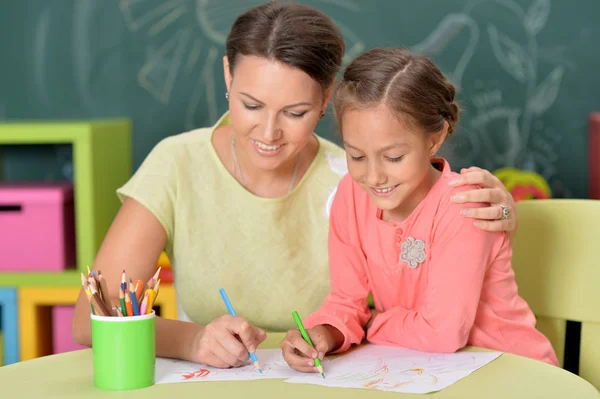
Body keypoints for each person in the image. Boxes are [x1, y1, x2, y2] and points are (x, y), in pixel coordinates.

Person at [72, 1, 519, 369]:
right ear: (228, 76)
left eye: (295, 112)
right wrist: (192, 341)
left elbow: (428, 231)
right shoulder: (177, 163)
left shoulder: (358, 176)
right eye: (251, 104)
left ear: (327, 100)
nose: (268, 133)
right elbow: (91, 316)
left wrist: (502, 214)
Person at [280, 47, 558, 371]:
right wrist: (324, 334)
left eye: (394, 157)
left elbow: (442, 334)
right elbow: (346, 301)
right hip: (422, 370)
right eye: (356, 156)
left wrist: (372, 324)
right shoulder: (351, 195)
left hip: (510, 370)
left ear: (434, 139)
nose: (373, 176)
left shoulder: (466, 206)